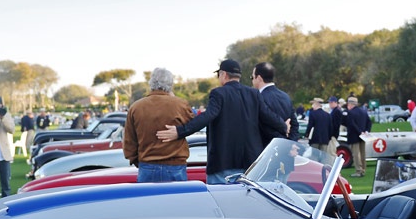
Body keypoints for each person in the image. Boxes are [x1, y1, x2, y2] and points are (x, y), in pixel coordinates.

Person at [156, 59, 286, 184]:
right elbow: (270, 117)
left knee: (222, 205)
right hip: (251, 165)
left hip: (223, 164)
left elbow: (207, 116)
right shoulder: (253, 94)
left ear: (223, 75)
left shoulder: (218, 93)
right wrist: (284, 126)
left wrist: (180, 131)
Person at [122, 67, 194, 182]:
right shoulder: (180, 105)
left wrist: (137, 161)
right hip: (175, 166)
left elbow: (129, 141)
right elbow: (192, 126)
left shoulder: (136, 107)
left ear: (151, 83)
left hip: (147, 166)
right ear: (171, 85)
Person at [251, 61, 299, 142]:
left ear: (259, 78)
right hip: (284, 148)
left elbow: (262, 127)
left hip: (265, 148)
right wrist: (290, 143)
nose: (252, 81)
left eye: (252, 77)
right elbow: (294, 125)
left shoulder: (258, 98)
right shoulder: (286, 97)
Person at [344, 95, 372, 177]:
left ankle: (358, 171)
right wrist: (366, 131)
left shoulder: (350, 113)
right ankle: (363, 169)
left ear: (350, 104)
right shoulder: (363, 111)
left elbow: (352, 124)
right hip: (363, 136)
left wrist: (360, 132)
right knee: (362, 153)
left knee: (356, 154)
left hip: (354, 136)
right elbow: (369, 122)